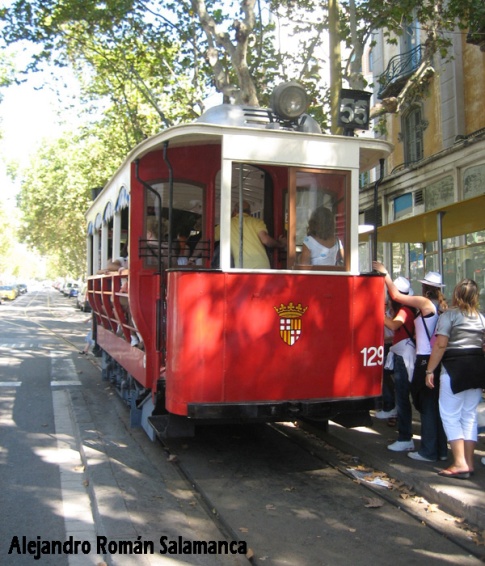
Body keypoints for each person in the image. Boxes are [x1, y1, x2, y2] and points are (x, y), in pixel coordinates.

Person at [373, 264, 449, 462]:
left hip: (424, 359)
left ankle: (428, 450)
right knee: (433, 405)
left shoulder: (425, 303)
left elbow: (398, 297)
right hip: (434, 358)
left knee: (426, 406)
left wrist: (386, 275)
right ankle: (440, 449)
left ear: (425, 288)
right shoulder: (441, 307)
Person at [425, 279, 485, 479]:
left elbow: (441, 345)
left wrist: (429, 370)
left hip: (454, 368)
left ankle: (459, 463)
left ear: (457, 294)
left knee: (450, 415)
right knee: (469, 416)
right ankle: (468, 462)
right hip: (476, 369)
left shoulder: (449, 316)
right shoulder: (481, 318)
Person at [375, 275, 417, 451]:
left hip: (403, 357)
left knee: (402, 397)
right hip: (400, 354)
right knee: (399, 394)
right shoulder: (407, 309)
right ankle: (402, 430)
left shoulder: (404, 311)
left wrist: (376, 313)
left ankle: (405, 436)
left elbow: (393, 326)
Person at [230, 201, 285, 269]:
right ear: (249, 212)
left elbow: (213, 237)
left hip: (242, 267)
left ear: (235, 211)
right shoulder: (257, 222)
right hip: (262, 266)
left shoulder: (227, 224)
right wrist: (280, 244)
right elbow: (266, 240)